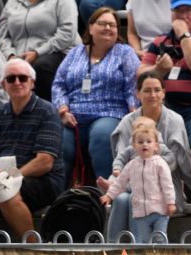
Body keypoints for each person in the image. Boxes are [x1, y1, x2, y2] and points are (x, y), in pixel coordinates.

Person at [138, 0, 191, 201]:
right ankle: (159, 197)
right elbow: (140, 75)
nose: (183, 16)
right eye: (178, 11)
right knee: (144, 134)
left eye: (189, 10)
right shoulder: (160, 42)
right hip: (165, 108)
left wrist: (184, 35)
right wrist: (158, 71)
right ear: (170, 13)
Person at [0, 59, 65, 241]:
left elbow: (45, 162)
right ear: (4, 85)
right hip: (3, 176)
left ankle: (33, 245)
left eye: (22, 78)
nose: (17, 82)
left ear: (32, 83)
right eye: (11, 79)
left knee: (4, 187)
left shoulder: (47, 111)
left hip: (43, 180)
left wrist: (12, 176)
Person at [52, 7, 139, 183]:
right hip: (72, 116)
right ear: (90, 28)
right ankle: (59, 201)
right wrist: (63, 111)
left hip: (109, 113)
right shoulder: (75, 53)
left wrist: (134, 112)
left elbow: (133, 85)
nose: (108, 28)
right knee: (61, 144)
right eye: (102, 23)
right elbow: (59, 84)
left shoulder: (125, 53)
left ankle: (106, 196)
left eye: (112, 25)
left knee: (101, 136)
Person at [106, 71, 191, 241]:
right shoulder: (127, 121)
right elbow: (122, 157)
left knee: (132, 198)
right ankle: (112, 247)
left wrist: (148, 169)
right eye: (146, 90)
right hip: (131, 178)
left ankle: (138, 247)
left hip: (163, 183)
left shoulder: (175, 120)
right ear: (138, 93)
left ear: (163, 93)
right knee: (122, 198)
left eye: (157, 90)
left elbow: (174, 161)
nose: (152, 95)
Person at [100, 126, 176, 243]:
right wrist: (109, 195)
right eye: (140, 142)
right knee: (142, 241)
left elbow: (168, 186)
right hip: (140, 212)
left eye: (149, 141)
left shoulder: (160, 164)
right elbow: (120, 182)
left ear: (155, 146)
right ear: (134, 146)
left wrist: (170, 203)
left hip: (160, 211)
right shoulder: (131, 165)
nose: (144, 144)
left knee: (159, 238)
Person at [0, 0, 80, 103]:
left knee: (40, 65)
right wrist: (10, 55)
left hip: (59, 51)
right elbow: (2, 34)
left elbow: (67, 32)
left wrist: (37, 52)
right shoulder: (12, 2)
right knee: (1, 67)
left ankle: (51, 111)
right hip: (20, 55)